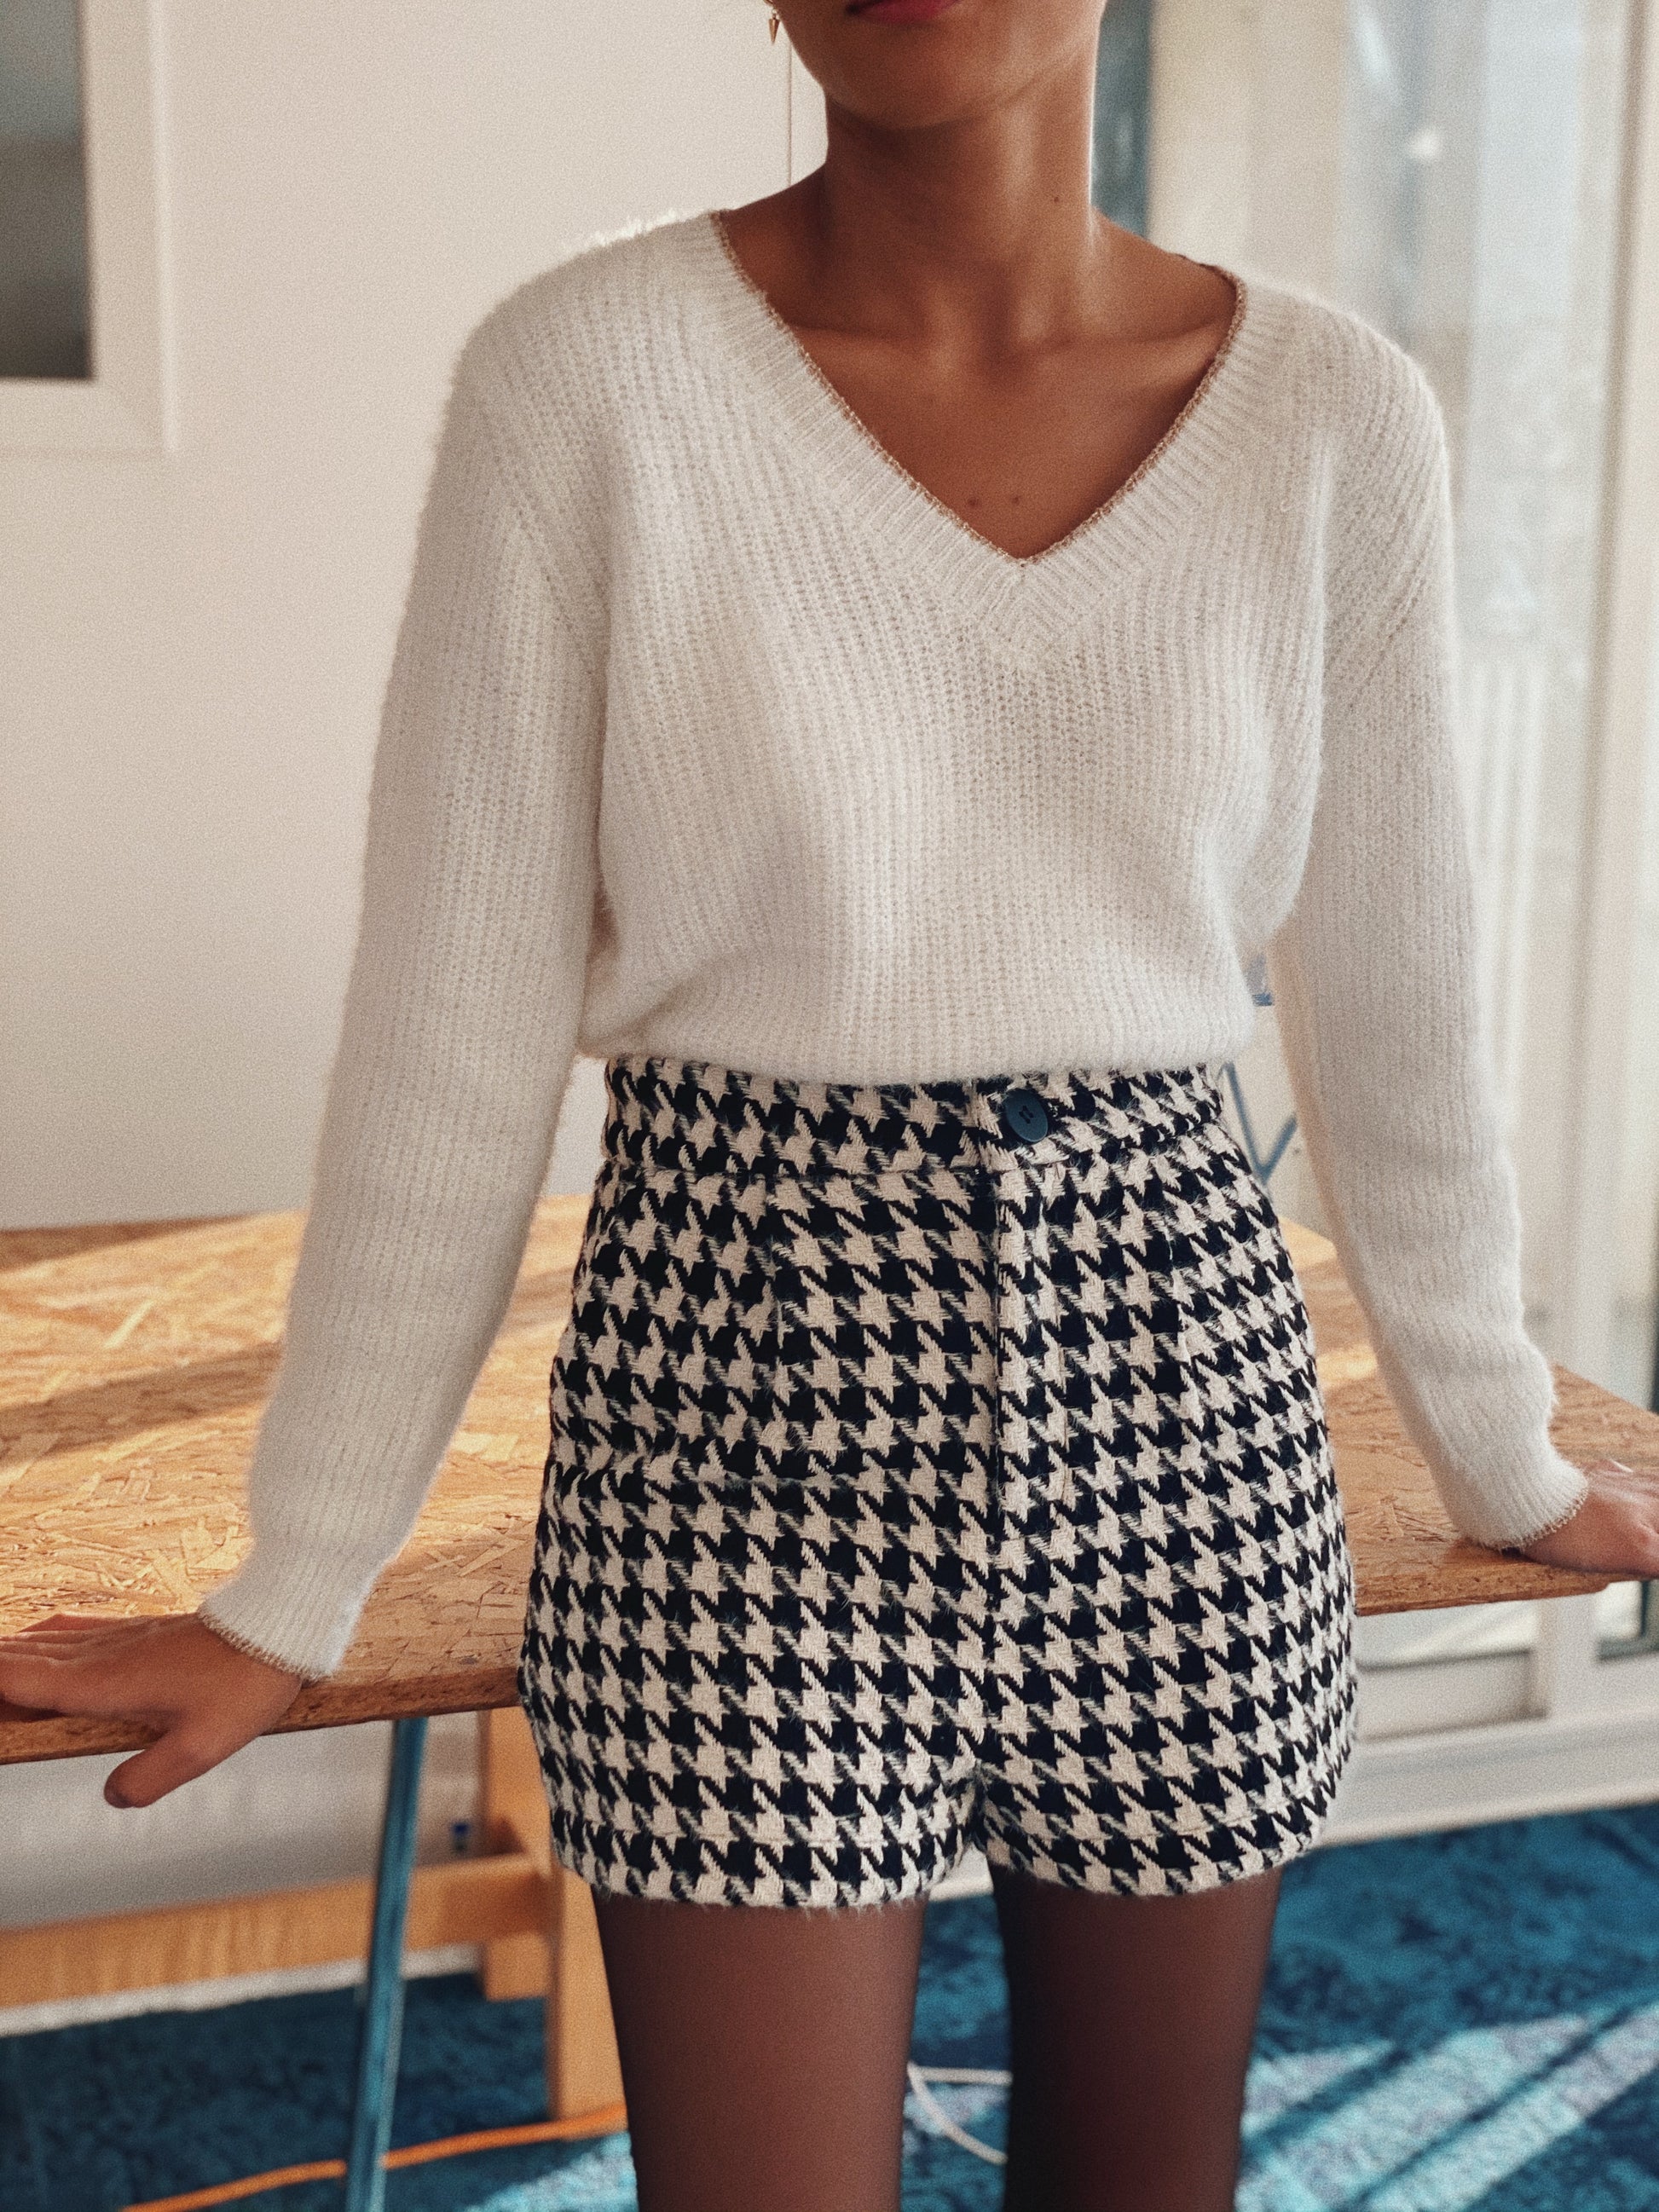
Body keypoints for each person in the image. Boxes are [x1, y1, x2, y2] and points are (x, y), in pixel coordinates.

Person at [5, 3, 1657, 2207]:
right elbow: (448, 1032)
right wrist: (294, 1585)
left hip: (1185, 1384)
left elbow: (1397, 993)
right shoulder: (585, 381)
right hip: (727, 1402)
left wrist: (1500, 1450)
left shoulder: (1331, 415)